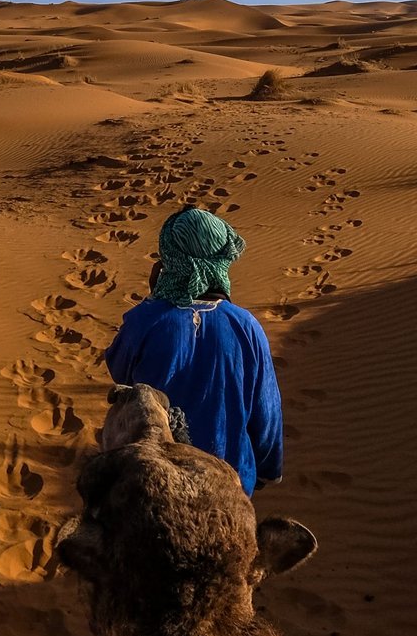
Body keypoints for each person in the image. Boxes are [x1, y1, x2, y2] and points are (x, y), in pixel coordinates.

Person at [103, 206, 284, 497]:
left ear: (169, 260)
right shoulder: (246, 326)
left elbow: (120, 371)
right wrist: (267, 469)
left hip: (155, 483)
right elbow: (266, 411)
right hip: (230, 482)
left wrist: (154, 302)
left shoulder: (144, 321)